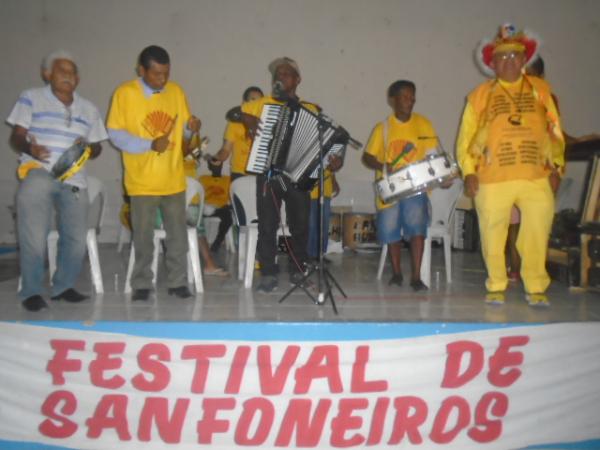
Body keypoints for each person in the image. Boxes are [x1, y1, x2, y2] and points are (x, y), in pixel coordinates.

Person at [457, 24, 565, 306]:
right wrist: (469, 171)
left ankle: (536, 285)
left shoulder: (541, 91)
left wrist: (557, 167)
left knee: (538, 231)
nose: (509, 61)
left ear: (524, 59)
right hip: (493, 176)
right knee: (493, 233)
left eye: (515, 55)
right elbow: (465, 139)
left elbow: (555, 131)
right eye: (502, 57)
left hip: (535, 175)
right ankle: (496, 283)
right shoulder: (479, 95)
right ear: (492, 63)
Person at [6, 50, 107, 311]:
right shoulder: (31, 98)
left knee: (75, 240)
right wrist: (30, 149)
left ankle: (63, 287)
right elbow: (16, 137)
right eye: (62, 71)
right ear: (47, 74)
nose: (68, 76)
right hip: (38, 172)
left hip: (75, 179)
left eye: (72, 72)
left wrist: (87, 146)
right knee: (33, 238)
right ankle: (31, 291)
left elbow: (97, 148)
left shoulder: (89, 108)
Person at [107, 45, 201, 301]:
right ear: (142, 70)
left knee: (177, 236)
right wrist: (149, 144)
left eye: (166, 73)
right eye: (157, 74)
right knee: (143, 237)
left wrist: (192, 128)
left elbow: (185, 137)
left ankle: (178, 282)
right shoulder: (125, 93)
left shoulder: (176, 91)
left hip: (173, 178)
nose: (163, 79)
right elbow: (115, 134)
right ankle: (141, 284)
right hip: (141, 182)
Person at [231, 57, 326, 293]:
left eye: (285, 74)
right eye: (277, 74)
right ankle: (268, 273)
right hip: (269, 172)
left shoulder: (310, 109)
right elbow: (232, 113)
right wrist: (246, 117)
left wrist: (332, 157)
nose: (279, 78)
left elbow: (320, 143)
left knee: (300, 226)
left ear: (297, 79)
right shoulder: (261, 104)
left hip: (297, 176)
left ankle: (297, 269)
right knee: (267, 225)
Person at [363, 80, 437, 292]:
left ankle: (416, 277)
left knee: (417, 229)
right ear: (392, 100)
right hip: (390, 188)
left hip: (416, 187)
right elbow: (367, 157)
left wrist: (441, 173)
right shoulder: (383, 128)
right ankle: (396, 273)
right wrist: (383, 166)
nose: (410, 100)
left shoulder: (424, 123)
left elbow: (432, 153)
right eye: (405, 97)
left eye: (412, 96)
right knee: (390, 230)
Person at [210, 86, 264, 181]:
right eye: (253, 100)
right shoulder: (234, 123)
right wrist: (218, 157)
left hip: (261, 176)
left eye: (259, 102)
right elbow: (226, 150)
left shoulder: (266, 122)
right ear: (244, 103)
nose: (256, 105)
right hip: (239, 174)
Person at [307, 170, 340, 262]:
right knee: (312, 225)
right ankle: (309, 254)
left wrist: (335, 183)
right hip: (311, 193)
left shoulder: (329, 155)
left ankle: (320, 254)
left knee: (324, 225)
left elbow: (332, 170)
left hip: (326, 193)